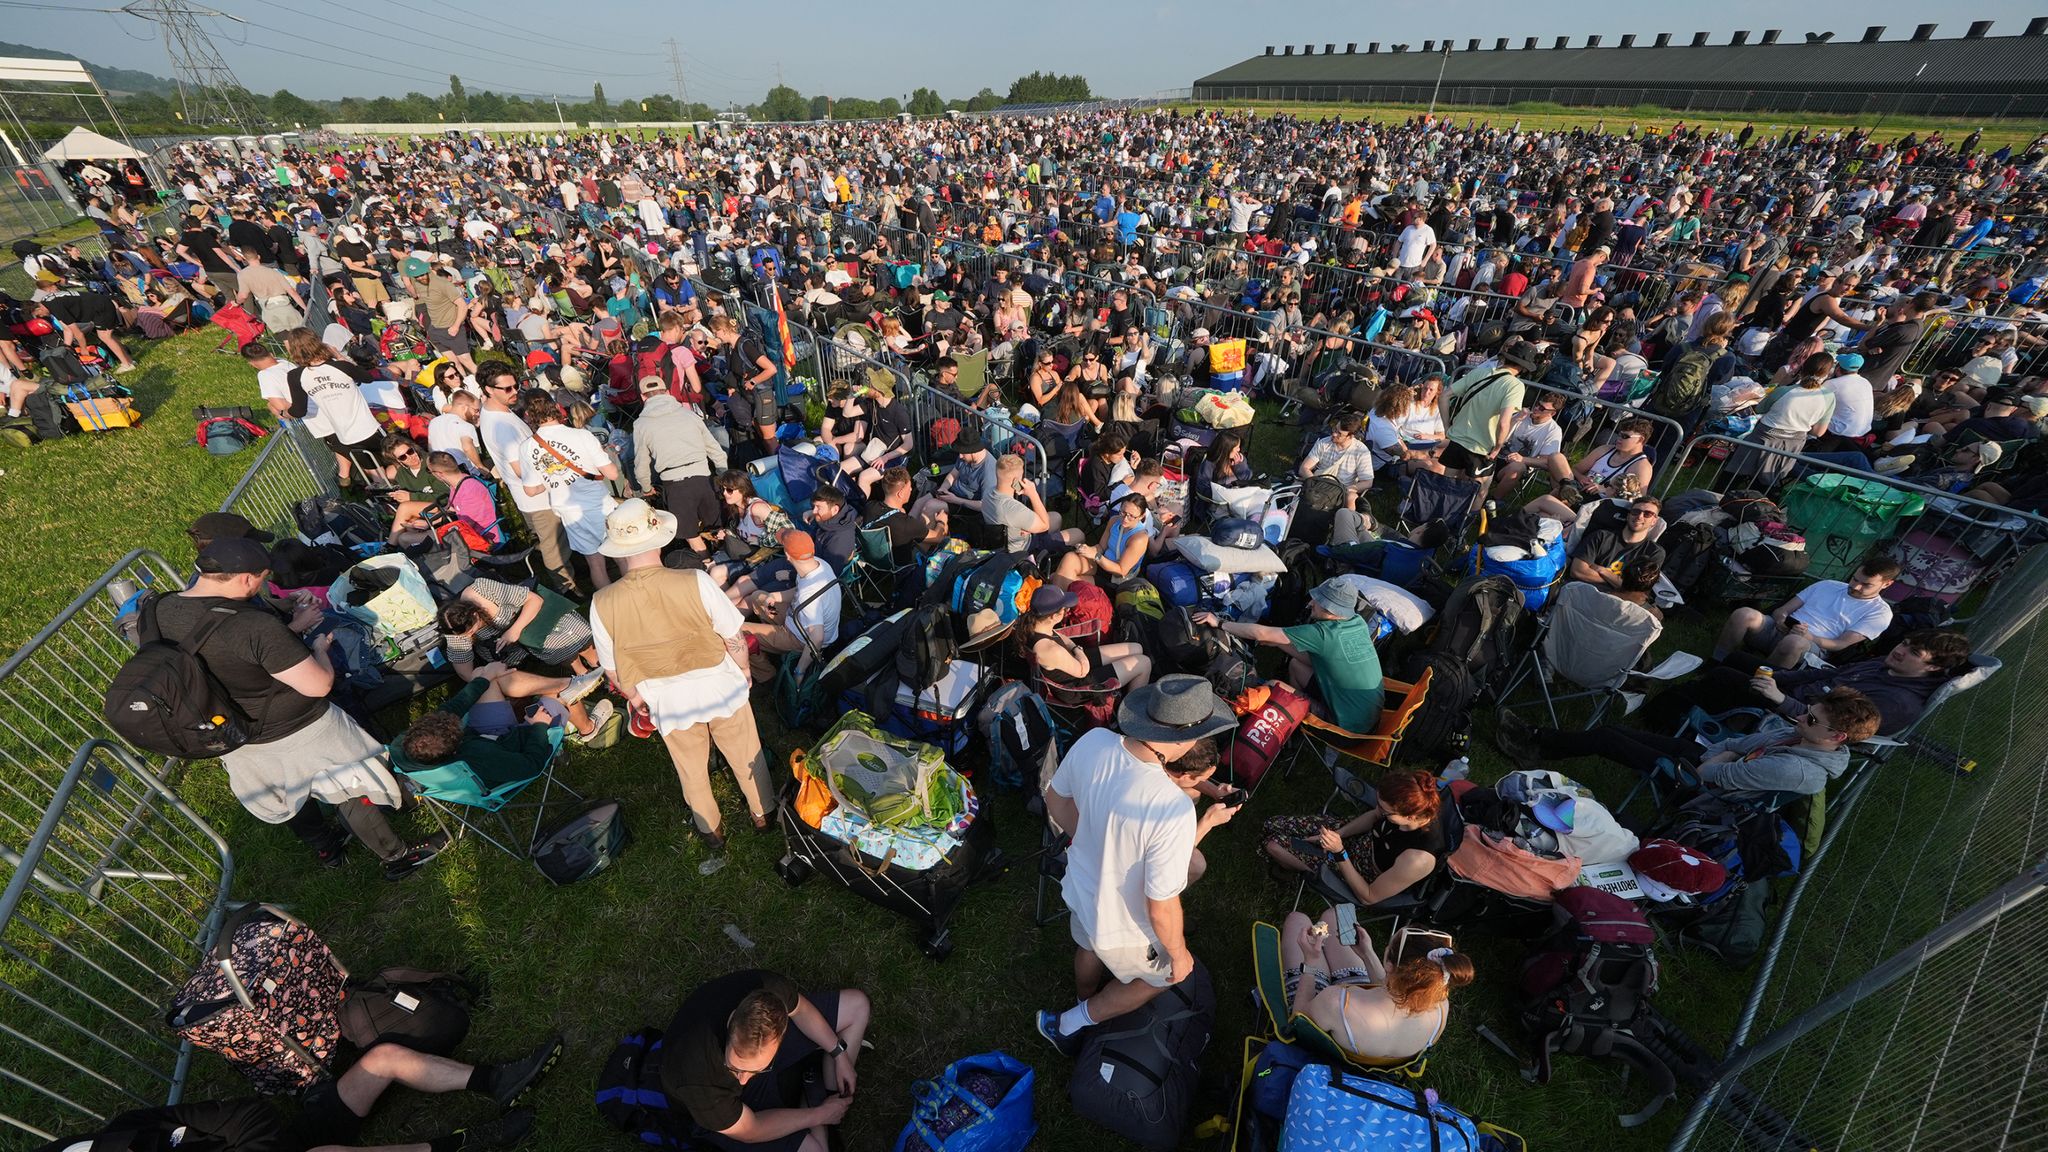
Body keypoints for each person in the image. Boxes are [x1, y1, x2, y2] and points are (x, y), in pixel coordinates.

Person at [153, 538, 446, 879]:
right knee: (350, 785)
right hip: (298, 729)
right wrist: (319, 647)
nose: (263, 589)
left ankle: (329, 845)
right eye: (261, 581)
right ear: (246, 578)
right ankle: (397, 857)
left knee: (292, 793)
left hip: (231, 735)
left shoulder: (161, 610)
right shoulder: (252, 626)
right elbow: (318, 684)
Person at [1035, 676, 1240, 1055]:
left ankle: (1085, 996)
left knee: (1088, 945)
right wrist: (1178, 955)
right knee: (1159, 979)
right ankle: (1070, 1023)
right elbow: (1160, 904)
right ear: (1182, 740)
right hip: (1123, 920)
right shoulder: (1172, 807)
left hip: (1080, 885)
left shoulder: (1094, 741)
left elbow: (1056, 799)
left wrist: (1091, 840)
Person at [590, 500, 775, 852]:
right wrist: (745, 671)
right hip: (720, 686)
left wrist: (636, 697)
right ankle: (763, 813)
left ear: (618, 551)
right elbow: (732, 635)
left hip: (666, 700)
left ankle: (711, 832)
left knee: (690, 770)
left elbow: (612, 667)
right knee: (746, 753)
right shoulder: (695, 580)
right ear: (658, 540)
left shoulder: (601, 601)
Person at [31, 1030, 562, 1152]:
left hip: (272, 1143)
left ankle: (498, 1082)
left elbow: (241, 1114)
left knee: (380, 1058)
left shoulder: (125, 1129)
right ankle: (465, 1145)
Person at [1499, 688, 1883, 798]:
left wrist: (1726, 757)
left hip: (1698, 788)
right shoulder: (1798, 736)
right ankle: (1540, 741)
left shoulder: (1797, 769)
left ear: (1837, 737)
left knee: (1606, 739)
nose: (1801, 717)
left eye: (1812, 719)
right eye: (1807, 711)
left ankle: (1534, 745)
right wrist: (1729, 754)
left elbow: (1711, 774)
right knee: (1614, 733)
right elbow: (1738, 741)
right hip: (1712, 762)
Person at [661, 970, 870, 1152]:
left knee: (857, 1006)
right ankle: (816, 1098)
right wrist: (818, 1115)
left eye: (755, 1070)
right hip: (727, 1115)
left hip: (764, 1064)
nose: (742, 1080)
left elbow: (802, 1010)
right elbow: (751, 1130)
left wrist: (839, 1053)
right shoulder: (697, 1076)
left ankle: (825, 1092)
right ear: (731, 1021)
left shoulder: (767, 993)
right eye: (735, 1068)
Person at [1644, 629, 1972, 736]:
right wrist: (1777, 676)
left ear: (1932, 669)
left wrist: (1778, 698)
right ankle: (1693, 702)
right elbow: (1824, 674)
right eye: (1903, 644)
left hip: (1796, 717)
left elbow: (1828, 727)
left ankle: (1659, 719)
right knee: (1743, 662)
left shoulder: (1896, 703)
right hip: (1797, 694)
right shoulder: (1886, 663)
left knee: (1726, 678)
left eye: (1913, 652)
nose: (1900, 651)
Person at [1277, 907, 1473, 1065]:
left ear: (1389, 964)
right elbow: (1392, 991)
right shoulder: (1440, 1008)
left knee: (1297, 920)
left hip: (1333, 1014)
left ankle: (1316, 957)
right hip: (1355, 1019)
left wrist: (1311, 961)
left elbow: (1299, 1020)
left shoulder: (1336, 1001)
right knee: (1336, 914)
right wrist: (1367, 954)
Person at [1193, 577, 1384, 731]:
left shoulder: (1325, 634)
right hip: (1366, 713)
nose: (1310, 604)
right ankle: (1296, 713)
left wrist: (1219, 623)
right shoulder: (1356, 622)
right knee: (1296, 665)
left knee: (1273, 685)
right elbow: (1314, 660)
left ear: (1331, 611)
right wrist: (1278, 644)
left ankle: (1288, 723)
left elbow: (1261, 633)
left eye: (1317, 602)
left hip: (1347, 728)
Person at [1261, 769, 1449, 906]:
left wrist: (1339, 852)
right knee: (1272, 823)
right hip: (1355, 841)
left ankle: (1293, 870)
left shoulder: (1418, 858)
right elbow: (1375, 816)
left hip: (1357, 871)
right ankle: (1295, 859)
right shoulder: (1403, 808)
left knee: (1273, 845)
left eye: (1386, 811)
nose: (1379, 811)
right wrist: (1339, 834)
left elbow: (1368, 896)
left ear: (1411, 817)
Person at [477, 363, 576, 594]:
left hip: (528, 497)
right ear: (488, 389)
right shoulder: (502, 427)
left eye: (516, 386)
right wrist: (557, 474)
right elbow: (522, 469)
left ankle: (566, 576)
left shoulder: (496, 412)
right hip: (537, 498)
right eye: (507, 389)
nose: (515, 393)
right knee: (554, 548)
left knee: (549, 543)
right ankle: (567, 589)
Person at [1714, 559, 1900, 670]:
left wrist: (1810, 637)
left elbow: (1839, 644)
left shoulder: (1879, 612)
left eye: (1866, 585)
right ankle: (1716, 661)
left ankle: (1759, 681)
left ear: (1887, 584)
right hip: (1781, 629)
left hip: (1812, 646)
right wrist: (1780, 618)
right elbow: (1783, 609)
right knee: (1744, 614)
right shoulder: (1829, 585)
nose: (1855, 586)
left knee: (1793, 642)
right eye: (1854, 579)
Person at [518, 392, 619, 592]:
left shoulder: (527, 447)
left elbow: (530, 490)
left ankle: (610, 602)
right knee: (622, 553)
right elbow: (613, 474)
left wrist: (553, 480)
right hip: (600, 505)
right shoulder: (581, 435)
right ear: (555, 407)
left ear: (529, 414)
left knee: (595, 563)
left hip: (569, 512)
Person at [632, 375, 727, 552]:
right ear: (667, 392)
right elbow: (714, 449)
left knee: (690, 534)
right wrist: (723, 475)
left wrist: (646, 488)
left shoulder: (641, 424)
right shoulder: (689, 415)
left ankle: (708, 565)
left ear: (643, 397)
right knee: (718, 529)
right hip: (704, 479)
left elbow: (641, 464)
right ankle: (727, 562)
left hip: (675, 485)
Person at [436, 577, 598, 679]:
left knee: (570, 632)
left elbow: (534, 601)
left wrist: (513, 631)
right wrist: (489, 676)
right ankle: (582, 673)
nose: (467, 637)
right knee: (552, 644)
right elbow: (465, 672)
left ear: (475, 615)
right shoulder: (454, 629)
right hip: (511, 653)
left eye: (471, 632)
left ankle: (597, 663)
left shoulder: (482, 590)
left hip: (530, 617)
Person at [739, 530, 840, 682]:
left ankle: (766, 673)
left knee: (738, 633)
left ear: (787, 556)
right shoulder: (817, 564)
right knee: (758, 597)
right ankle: (768, 643)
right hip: (796, 619)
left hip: (799, 638)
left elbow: (817, 638)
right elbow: (798, 590)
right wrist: (774, 597)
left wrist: (799, 671)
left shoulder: (809, 594)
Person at [1522, 418, 1658, 521]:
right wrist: (1581, 478)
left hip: (1594, 506)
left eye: (1625, 436)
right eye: (1619, 434)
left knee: (1544, 511)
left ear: (1640, 439)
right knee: (1557, 457)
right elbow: (1576, 469)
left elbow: (1636, 502)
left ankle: (1516, 520)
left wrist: (1603, 489)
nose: (1619, 439)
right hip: (1579, 490)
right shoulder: (1605, 449)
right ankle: (1567, 489)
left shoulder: (1641, 466)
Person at [1022, 584, 1152, 692]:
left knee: (1136, 648)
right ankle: (1131, 711)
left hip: (1073, 660)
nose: (1068, 610)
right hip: (1078, 684)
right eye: (1065, 609)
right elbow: (1082, 671)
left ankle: (1129, 680)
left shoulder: (1034, 626)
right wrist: (1078, 649)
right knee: (1144, 663)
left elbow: (1063, 638)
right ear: (1053, 617)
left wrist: (1075, 649)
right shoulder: (1050, 650)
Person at [1439, 337, 1537, 479]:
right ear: (1524, 367)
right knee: (1478, 491)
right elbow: (1504, 423)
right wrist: (1497, 448)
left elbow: (1444, 396)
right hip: (1482, 447)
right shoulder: (1515, 386)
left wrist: (1447, 426)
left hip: (1458, 438)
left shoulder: (1479, 372)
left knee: (1445, 484)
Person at [982, 452, 1083, 555]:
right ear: (1015, 481)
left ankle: (1055, 551)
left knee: (1056, 517)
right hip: (1024, 550)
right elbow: (1045, 525)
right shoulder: (1014, 509)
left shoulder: (987, 493)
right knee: (1078, 534)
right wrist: (1033, 493)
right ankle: (1056, 558)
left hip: (1006, 539)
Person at [1565, 496, 1666, 591]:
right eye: (1635, 511)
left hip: (1618, 603)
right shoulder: (1601, 536)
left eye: (1647, 514)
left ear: (1654, 521)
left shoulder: (1654, 552)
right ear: (1628, 515)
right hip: (1581, 592)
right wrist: (1621, 584)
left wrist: (1603, 571)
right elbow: (1577, 571)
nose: (1640, 516)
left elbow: (1639, 590)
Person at [1488, 393, 1571, 499]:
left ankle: (1492, 501)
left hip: (1518, 465)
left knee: (1517, 467)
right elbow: (1498, 436)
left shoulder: (1553, 430)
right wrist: (1516, 419)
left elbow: (1546, 461)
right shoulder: (1522, 416)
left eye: (1542, 408)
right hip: (1495, 455)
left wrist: (1522, 459)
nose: (1536, 408)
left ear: (1552, 413)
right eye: (1537, 404)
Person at [1298, 412, 1376, 508]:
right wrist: (1314, 483)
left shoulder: (1361, 452)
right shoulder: (1324, 443)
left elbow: (1368, 482)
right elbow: (1304, 468)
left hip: (1341, 489)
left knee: (1352, 499)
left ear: (1351, 436)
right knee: (1295, 486)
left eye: (1339, 433)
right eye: (1335, 429)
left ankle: (1345, 521)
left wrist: (1349, 489)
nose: (1334, 434)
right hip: (1318, 482)